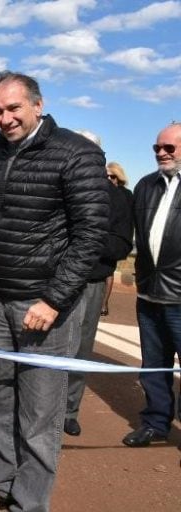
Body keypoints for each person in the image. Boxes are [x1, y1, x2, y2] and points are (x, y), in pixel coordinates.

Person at [0, 71, 109, 512]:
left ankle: (29, 502)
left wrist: (54, 300)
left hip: (44, 306)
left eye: (13, 108)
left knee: (40, 412)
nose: (4, 118)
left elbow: (90, 235)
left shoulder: (77, 154)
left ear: (38, 105)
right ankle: (1, 487)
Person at [64, 134, 133, 438]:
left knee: (80, 348)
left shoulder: (119, 197)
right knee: (39, 346)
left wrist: (83, 241)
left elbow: (119, 244)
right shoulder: (55, 186)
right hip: (48, 280)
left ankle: (68, 410)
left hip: (89, 283)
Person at [122, 123, 181, 450]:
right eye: (157, 147)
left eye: (169, 148)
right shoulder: (145, 185)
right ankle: (156, 423)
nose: (161, 153)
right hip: (148, 293)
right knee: (153, 366)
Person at [101, 161, 134, 316]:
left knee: (109, 271)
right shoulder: (102, 192)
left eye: (112, 176)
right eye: (106, 175)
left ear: (118, 177)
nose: (109, 178)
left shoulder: (126, 195)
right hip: (103, 236)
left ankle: (104, 303)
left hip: (114, 239)